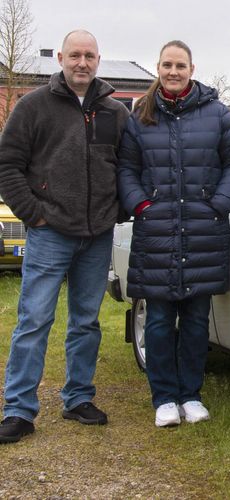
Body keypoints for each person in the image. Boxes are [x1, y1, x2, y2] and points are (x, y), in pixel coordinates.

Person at [0, 30, 129, 443]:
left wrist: (117, 211)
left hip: (97, 237)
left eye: (89, 55)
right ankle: (19, 410)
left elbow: (126, 168)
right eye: (75, 55)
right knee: (34, 320)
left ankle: (77, 398)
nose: (82, 62)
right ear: (60, 57)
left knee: (86, 321)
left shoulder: (114, 111)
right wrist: (34, 215)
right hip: (50, 233)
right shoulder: (32, 106)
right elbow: (8, 166)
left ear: (98, 60)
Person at [117, 40, 230, 427]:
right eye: (166, 65)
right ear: (158, 68)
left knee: (195, 321)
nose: (173, 72)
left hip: (202, 233)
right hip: (156, 233)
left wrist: (220, 203)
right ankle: (163, 397)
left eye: (180, 65)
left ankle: (190, 395)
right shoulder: (139, 115)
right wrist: (141, 204)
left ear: (192, 69)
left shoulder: (216, 113)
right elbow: (125, 168)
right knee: (158, 321)